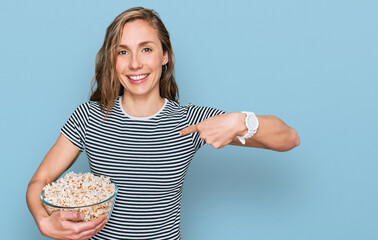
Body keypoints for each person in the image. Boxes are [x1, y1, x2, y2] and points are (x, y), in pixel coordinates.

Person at [26, 7, 300, 240]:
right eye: (123, 52)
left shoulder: (190, 121)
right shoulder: (89, 117)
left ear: (164, 56)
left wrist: (242, 121)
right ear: (113, 59)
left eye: (146, 49)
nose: (135, 64)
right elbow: (40, 180)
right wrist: (43, 220)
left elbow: (288, 138)